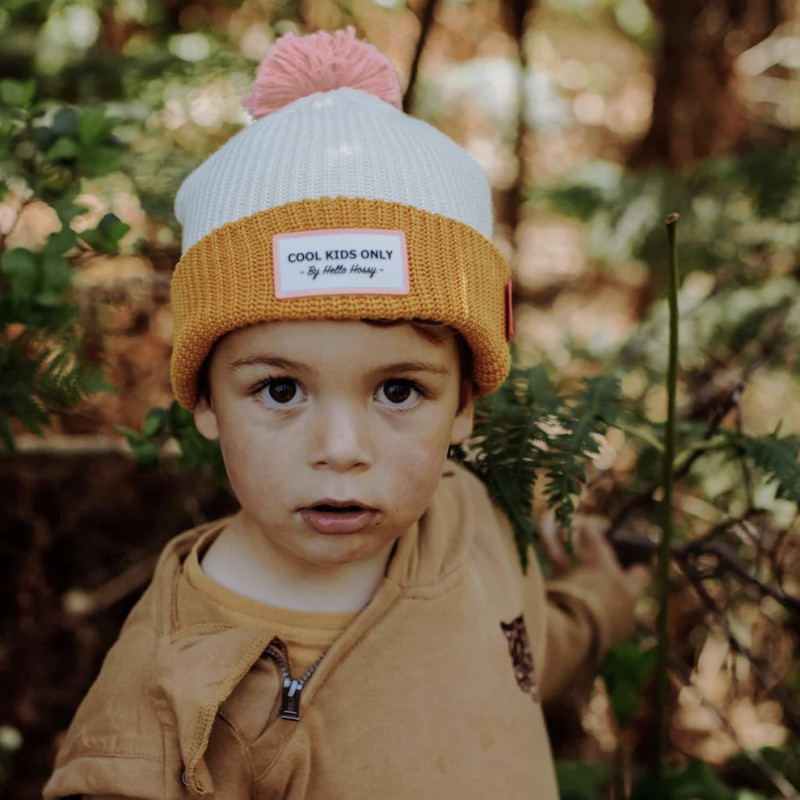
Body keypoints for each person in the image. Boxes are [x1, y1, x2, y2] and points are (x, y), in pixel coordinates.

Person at [44, 27, 648, 800]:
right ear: (203, 398)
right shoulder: (168, 697)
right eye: (281, 389)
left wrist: (604, 603)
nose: (340, 449)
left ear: (463, 403)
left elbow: (511, 658)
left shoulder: (465, 515)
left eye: (399, 391)